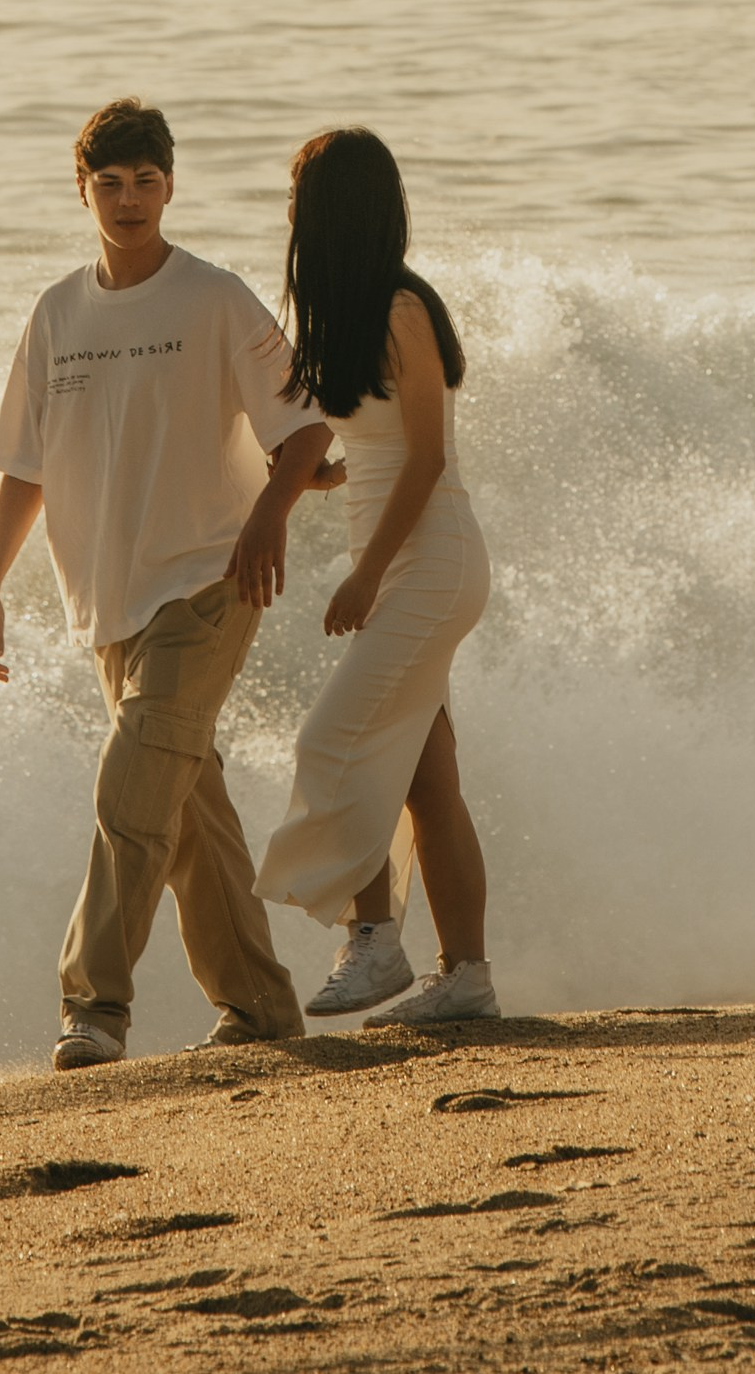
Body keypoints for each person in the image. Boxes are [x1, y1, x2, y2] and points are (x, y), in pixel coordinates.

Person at [0, 97, 338, 1070]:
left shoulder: (214, 299)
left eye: (146, 182)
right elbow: (24, 465)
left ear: (171, 186)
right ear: (81, 189)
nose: (129, 201)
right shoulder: (57, 314)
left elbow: (304, 430)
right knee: (188, 817)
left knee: (132, 789)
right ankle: (259, 1009)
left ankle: (92, 1008)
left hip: (211, 580)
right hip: (106, 604)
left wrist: (268, 517)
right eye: (110, 184)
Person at [253, 127, 499, 1026]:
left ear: (329, 212)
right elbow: (388, 447)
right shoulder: (353, 313)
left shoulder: (400, 307)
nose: (287, 215)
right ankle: (467, 975)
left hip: (430, 565)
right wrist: (326, 476)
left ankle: (373, 943)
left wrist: (365, 575)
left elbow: (429, 458)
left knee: (332, 744)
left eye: (296, 199)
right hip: (411, 564)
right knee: (427, 784)